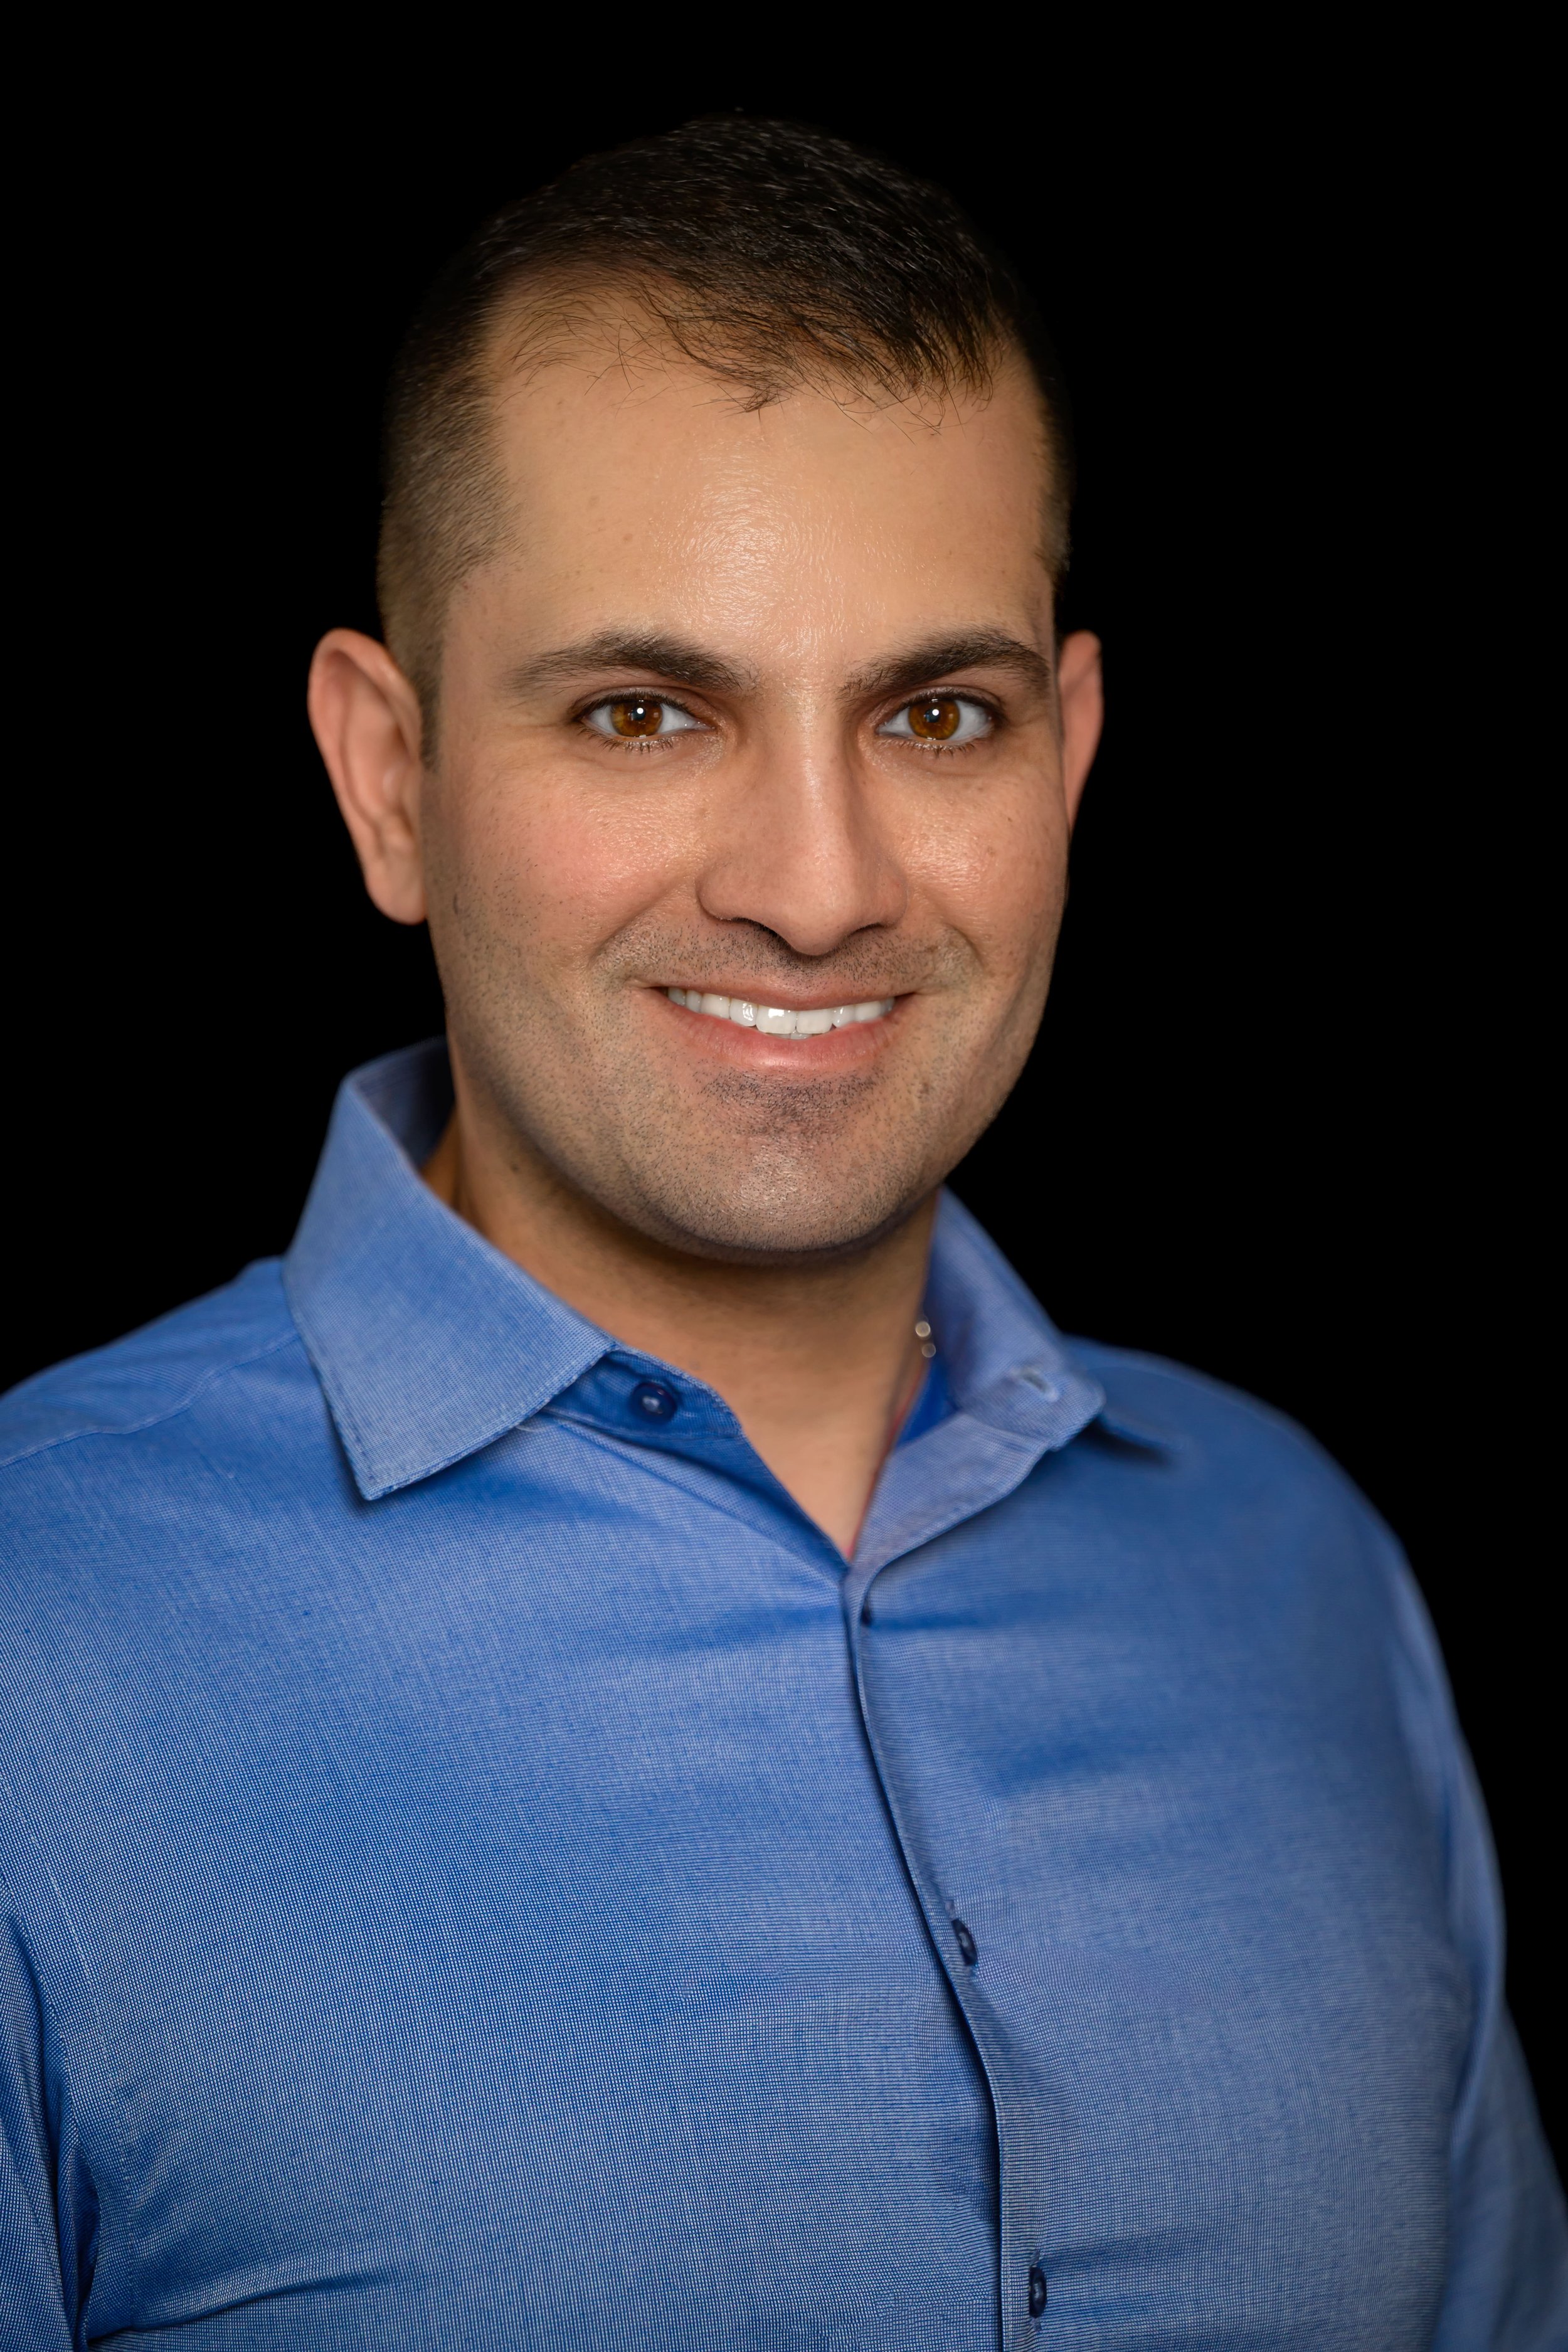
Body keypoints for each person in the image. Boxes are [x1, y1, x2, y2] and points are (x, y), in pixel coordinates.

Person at [1, 117, 1561, 2352]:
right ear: (388, 779)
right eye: (646, 713)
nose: (816, 888)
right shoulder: (32, 1637)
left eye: (935, 715)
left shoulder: (1294, 1568)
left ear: (1067, 760)